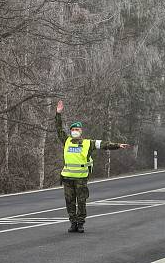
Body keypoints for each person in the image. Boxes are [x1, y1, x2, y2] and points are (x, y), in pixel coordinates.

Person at [55, 100, 131, 233]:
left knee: (82, 201)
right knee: (69, 201)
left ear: (81, 131)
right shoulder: (66, 140)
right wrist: (58, 114)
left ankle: (80, 223)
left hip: (81, 178)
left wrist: (117, 145)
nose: (74, 131)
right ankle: (73, 223)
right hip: (67, 178)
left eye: (77, 129)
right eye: (73, 129)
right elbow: (58, 128)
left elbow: (104, 144)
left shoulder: (87, 143)